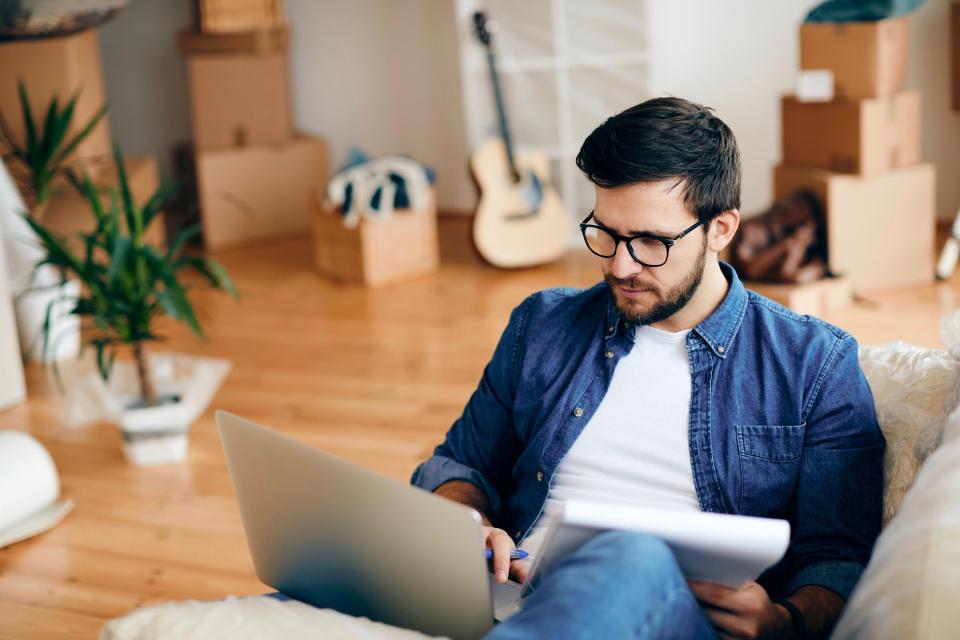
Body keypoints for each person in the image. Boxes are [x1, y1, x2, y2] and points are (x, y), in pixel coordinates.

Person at [411, 97, 884, 639]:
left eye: (651, 242)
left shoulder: (814, 365)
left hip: (667, 613)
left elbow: (840, 560)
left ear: (721, 228)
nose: (619, 265)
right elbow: (458, 465)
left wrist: (784, 619)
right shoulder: (542, 323)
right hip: (511, 600)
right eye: (605, 233)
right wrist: (469, 523)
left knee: (632, 556)